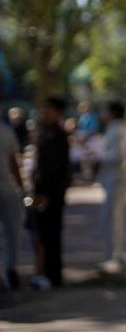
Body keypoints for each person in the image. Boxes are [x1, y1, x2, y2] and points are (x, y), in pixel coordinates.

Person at [31, 96, 71, 290]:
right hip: (42, 192)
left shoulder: (59, 136)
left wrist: (48, 193)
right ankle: (45, 271)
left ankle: (53, 274)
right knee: (41, 234)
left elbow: (58, 170)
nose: (44, 113)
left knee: (50, 234)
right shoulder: (45, 133)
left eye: (48, 110)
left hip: (51, 194)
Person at [97, 101, 126, 274]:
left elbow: (117, 155)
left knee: (112, 217)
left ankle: (114, 255)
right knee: (113, 217)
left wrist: (97, 156)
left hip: (116, 178)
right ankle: (114, 254)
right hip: (115, 178)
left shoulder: (117, 129)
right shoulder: (117, 128)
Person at [0, 110, 23, 289]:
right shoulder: (6, 131)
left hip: (7, 187)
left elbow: (13, 162)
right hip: (8, 188)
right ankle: (10, 267)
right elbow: (14, 162)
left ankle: (10, 269)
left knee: (10, 231)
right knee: (11, 232)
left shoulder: (6, 131)